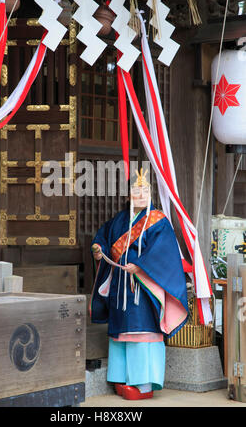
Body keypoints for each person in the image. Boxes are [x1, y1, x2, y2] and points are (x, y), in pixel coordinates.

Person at [89, 168, 189, 400]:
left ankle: (144, 385)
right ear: (127, 195)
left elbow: (163, 253)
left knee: (142, 333)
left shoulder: (159, 221)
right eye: (136, 190)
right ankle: (122, 379)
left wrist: (141, 267)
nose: (141, 195)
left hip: (143, 288)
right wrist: (98, 250)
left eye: (145, 190)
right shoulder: (119, 220)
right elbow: (102, 238)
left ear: (151, 193)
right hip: (120, 284)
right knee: (121, 335)